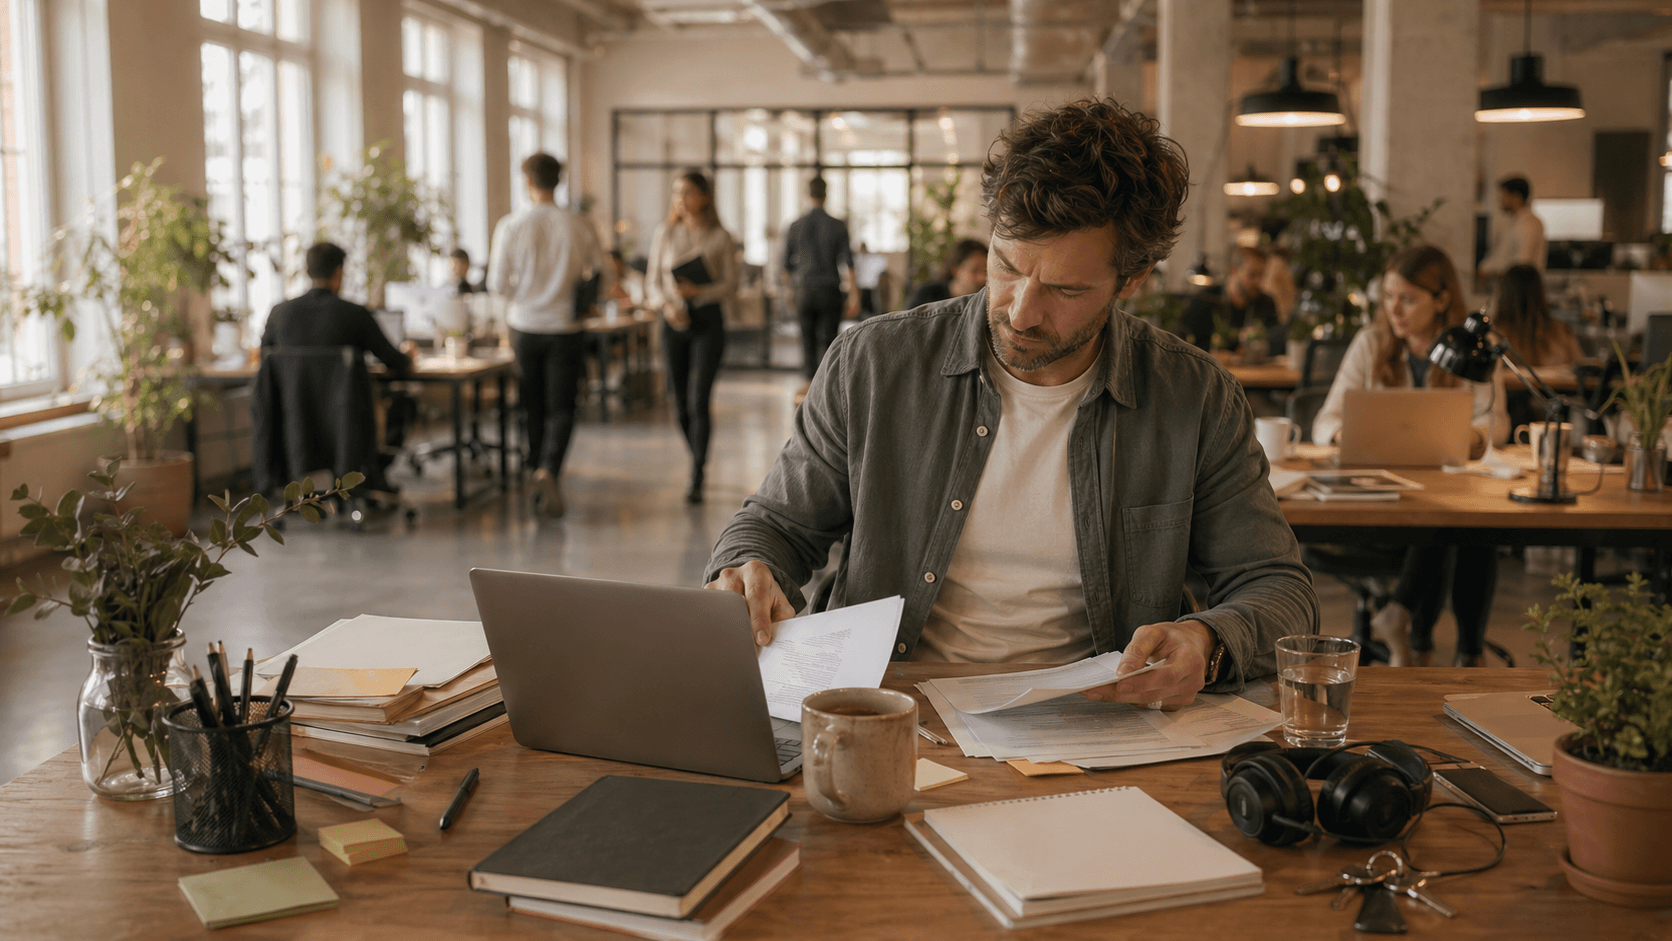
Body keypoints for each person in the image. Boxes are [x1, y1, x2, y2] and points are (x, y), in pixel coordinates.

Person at [703, 99, 1319, 710]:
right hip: (890, 710)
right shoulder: (875, 363)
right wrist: (746, 567)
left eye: (1065, 289)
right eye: (1006, 266)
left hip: (1096, 717)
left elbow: (1278, 589)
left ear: (1132, 281)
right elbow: (777, 526)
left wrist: (1205, 640)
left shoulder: (1193, 397)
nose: (1022, 311)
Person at [1311, 245, 1510, 668]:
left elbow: (1497, 422)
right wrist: (1352, 433)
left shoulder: (1469, 348)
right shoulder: (1371, 343)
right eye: (1388, 297)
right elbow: (1324, 421)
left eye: (1408, 299)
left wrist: (1471, 437)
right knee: (1452, 524)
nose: (1395, 309)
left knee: (1465, 521)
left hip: (1442, 497)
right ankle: (1457, 653)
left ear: (1442, 300)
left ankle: (1416, 636)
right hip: (1379, 506)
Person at [488, 152, 610, 519]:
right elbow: (604, 271)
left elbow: (497, 284)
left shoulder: (511, 225)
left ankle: (533, 467)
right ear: (558, 181)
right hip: (565, 328)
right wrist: (588, 301)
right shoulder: (579, 223)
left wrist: (522, 296)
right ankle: (549, 469)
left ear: (527, 182)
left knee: (532, 404)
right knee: (562, 406)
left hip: (524, 326)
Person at [261, 241, 416, 490]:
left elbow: (264, 363)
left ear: (307, 271)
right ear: (339, 272)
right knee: (404, 401)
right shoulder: (354, 314)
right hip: (347, 425)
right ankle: (371, 477)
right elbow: (396, 362)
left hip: (295, 425)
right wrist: (408, 354)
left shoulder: (279, 313)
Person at [648, 169, 738, 504]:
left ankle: (698, 470)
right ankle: (695, 452)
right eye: (676, 193)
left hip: (707, 322)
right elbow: (653, 282)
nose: (680, 199)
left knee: (699, 399)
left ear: (704, 196)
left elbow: (731, 285)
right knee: (679, 402)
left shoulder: (721, 236)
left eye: (687, 192)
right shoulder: (665, 233)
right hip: (674, 321)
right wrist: (666, 307)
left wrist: (699, 291)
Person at [783, 177, 858, 379]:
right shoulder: (838, 225)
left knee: (807, 345)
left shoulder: (795, 226)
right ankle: (826, 393)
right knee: (830, 346)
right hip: (830, 291)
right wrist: (854, 295)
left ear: (808, 193)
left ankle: (809, 390)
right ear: (826, 194)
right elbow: (848, 264)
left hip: (805, 291)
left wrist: (790, 292)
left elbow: (785, 266)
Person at [1180, 246, 1279, 354]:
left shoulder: (1266, 303)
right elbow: (1187, 349)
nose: (1258, 282)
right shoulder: (1204, 301)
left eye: (1262, 275)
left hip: (1257, 370)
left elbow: (1276, 342)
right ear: (1233, 270)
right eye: (1253, 275)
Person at [1478, 176, 1547, 279]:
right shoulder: (1512, 222)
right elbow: (1500, 256)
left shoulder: (1529, 224)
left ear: (1516, 197)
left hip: (1521, 288)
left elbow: (1523, 263)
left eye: (1503, 195)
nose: (1500, 200)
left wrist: (1493, 273)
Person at [906, 238, 988, 310]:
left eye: (985, 271)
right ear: (956, 269)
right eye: (974, 270)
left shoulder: (988, 301)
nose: (982, 277)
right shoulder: (928, 296)